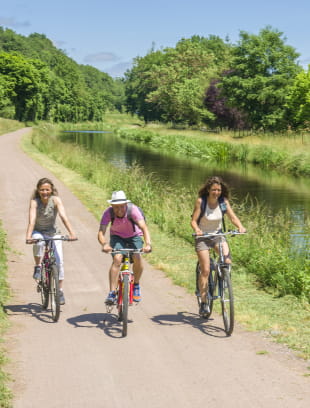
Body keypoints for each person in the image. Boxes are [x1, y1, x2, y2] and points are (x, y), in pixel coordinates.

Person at [190, 176, 246, 317]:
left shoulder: (223, 202)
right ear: (208, 190)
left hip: (217, 235)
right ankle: (203, 302)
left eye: (219, 190)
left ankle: (223, 280)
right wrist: (197, 230)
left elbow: (232, 217)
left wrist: (240, 226)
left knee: (227, 261)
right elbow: (193, 221)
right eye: (214, 189)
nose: (216, 192)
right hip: (202, 237)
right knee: (206, 270)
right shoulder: (201, 201)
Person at [26, 177, 77, 305]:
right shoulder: (34, 202)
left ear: (51, 190)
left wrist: (72, 233)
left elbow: (63, 216)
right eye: (42, 190)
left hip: (53, 232)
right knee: (38, 241)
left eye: (47, 190)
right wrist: (28, 236)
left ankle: (59, 290)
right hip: (38, 231)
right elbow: (32, 220)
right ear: (38, 190)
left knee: (59, 263)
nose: (45, 192)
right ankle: (38, 266)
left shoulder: (56, 200)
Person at [98, 190, 152, 304]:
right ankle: (112, 293)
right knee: (117, 258)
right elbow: (101, 232)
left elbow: (144, 227)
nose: (119, 210)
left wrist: (148, 244)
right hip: (117, 237)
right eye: (116, 207)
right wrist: (105, 244)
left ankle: (136, 285)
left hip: (134, 236)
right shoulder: (108, 212)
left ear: (126, 205)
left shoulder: (133, 210)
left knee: (137, 256)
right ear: (112, 206)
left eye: (122, 206)